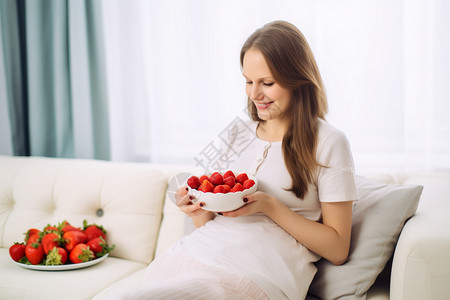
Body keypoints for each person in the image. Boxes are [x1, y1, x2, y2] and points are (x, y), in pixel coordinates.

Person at [119, 20, 357, 300]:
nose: (254, 95)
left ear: (298, 79)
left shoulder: (329, 142)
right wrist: (198, 208)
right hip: (190, 255)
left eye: (267, 83)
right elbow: (208, 222)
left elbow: (338, 249)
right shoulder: (238, 132)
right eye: (248, 81)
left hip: (256, 275)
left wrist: (270, 206)